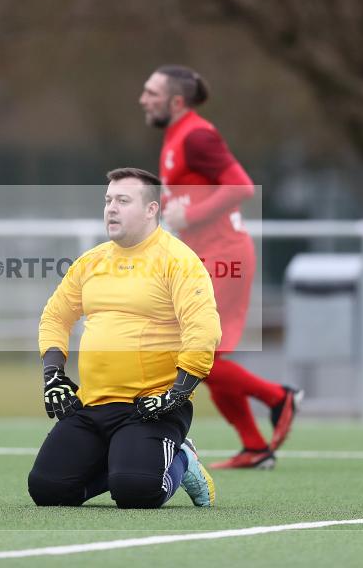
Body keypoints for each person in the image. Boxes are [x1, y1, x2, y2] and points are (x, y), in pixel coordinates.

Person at [139, 65, 303, 470]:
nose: (143, 99)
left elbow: (241, 187)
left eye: (151, 92)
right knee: (206, 356)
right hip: (205, 257)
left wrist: (190, 214)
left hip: (224, 255)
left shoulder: (197, 134)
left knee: (195, 355)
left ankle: (278, 398)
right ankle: (254, 445)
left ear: (177, 101)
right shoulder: (176, 136)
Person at [28, 167, 221, 509]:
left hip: (150, 407)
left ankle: (183, 460)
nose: (111, 208)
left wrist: (178, 393)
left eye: (123, 200)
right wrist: (53, 376)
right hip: (93, 404)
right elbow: (56, 316)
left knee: (137, 492)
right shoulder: (92, 261)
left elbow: (203, 329)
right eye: (108, 200)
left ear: (151, 210)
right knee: (47, 490)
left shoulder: (178, 260)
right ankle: (123, 459)